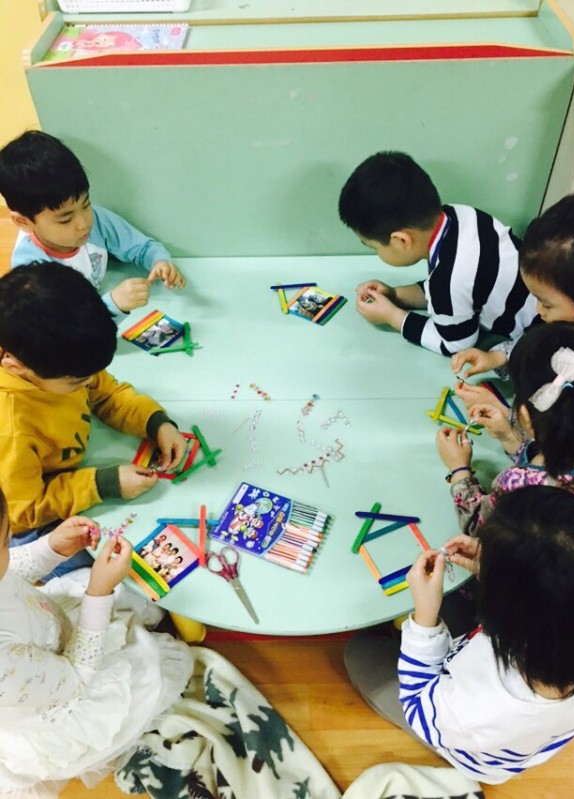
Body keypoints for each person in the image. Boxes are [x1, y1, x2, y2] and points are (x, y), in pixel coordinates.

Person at [0, 485, 340, 798]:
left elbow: (12, 571)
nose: (11, 543)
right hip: (66, 692)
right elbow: (75, 679)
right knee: (154, 667)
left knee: (116, 593)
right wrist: (98, 593)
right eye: (5, 542)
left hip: (46, 638)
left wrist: (51, 548)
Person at [344, 486, 574, 784]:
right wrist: (497, 566)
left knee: (358, 651)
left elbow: (418, 707)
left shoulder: (482, 710)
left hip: (465, 743)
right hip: (498, 705)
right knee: (450, 600)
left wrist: (425, 621)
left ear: (508, 615)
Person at [0, 263, 187, 568]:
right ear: (17, 368)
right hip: (26, 516)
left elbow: (106, 392)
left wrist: (156, 423)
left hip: (64, 469)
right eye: (76, 382)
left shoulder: (58, 357)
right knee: (101, 568)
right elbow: (22, 513)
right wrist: (103, 484)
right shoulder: (10, 430)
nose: (89, 383)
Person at [338, 151, 536, 355]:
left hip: (538, 334)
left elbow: (457, 344)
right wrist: (395, 294)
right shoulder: (461, 214)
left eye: (374, 248)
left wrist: (393, 317)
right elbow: (454, 292)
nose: (377, 253)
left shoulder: (449, 280)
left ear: (401, 241)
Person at [0, 130, 186, 322]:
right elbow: (63, 327)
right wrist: (112, 305)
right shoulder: (31, 273)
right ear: (23, 222)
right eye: (65, 219)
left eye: (86, 204)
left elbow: (142, 247)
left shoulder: (96, 219)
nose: (84, 224)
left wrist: (159, 261)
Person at [437, 322, 574, 536]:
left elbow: (480, 525)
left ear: (526, 417)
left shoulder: (518, 484)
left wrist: (460, 472)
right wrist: (510, 438)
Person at [452, 193, 574, 378]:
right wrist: (495, 358)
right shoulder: (570, 323)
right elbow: (538, 343)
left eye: (547, 304)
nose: (539, 310)